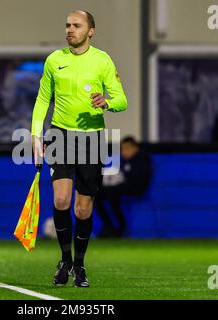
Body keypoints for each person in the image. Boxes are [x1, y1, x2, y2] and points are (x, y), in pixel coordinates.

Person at [31, 10, 127, 287]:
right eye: (67, 25)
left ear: (91, 31)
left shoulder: (102, 60)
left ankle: (80, 265)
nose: (70, 30)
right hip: (60, 135)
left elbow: (122, 99)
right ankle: (64, 260)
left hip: (91, 139)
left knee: (83, 209)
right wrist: (37, 134)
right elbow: (42, 100)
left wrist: (107, 102)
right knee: (61, 200)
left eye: (76, 25)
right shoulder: (54, 60)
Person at [94, 136, 152, 238]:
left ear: (135, 148)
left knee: (113, 195)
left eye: (126, 148)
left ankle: (121, 227)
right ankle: (108, 226)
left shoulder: (142, 159)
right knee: (97, 195)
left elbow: (137, 180)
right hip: (122, 187)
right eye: (122, 149)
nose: (123, 152)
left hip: (136, 188)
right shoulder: (125, 162)